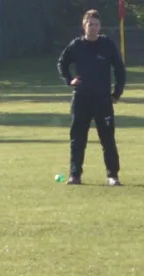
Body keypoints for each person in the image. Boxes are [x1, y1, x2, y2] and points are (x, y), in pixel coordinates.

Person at [57, 9, 126, 186]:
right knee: (77, 138)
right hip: (81, 99)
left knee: (107, 139)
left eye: (96, 24)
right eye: (90, 24)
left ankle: (112, 175)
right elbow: (62, 63)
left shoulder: (107, 45)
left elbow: (120, 70)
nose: (93, 28)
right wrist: (69, 79)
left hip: (103, 100)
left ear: (99, 26)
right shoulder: (76, 45)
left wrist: (116, 93)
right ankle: (75, 175)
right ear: (84, 26)